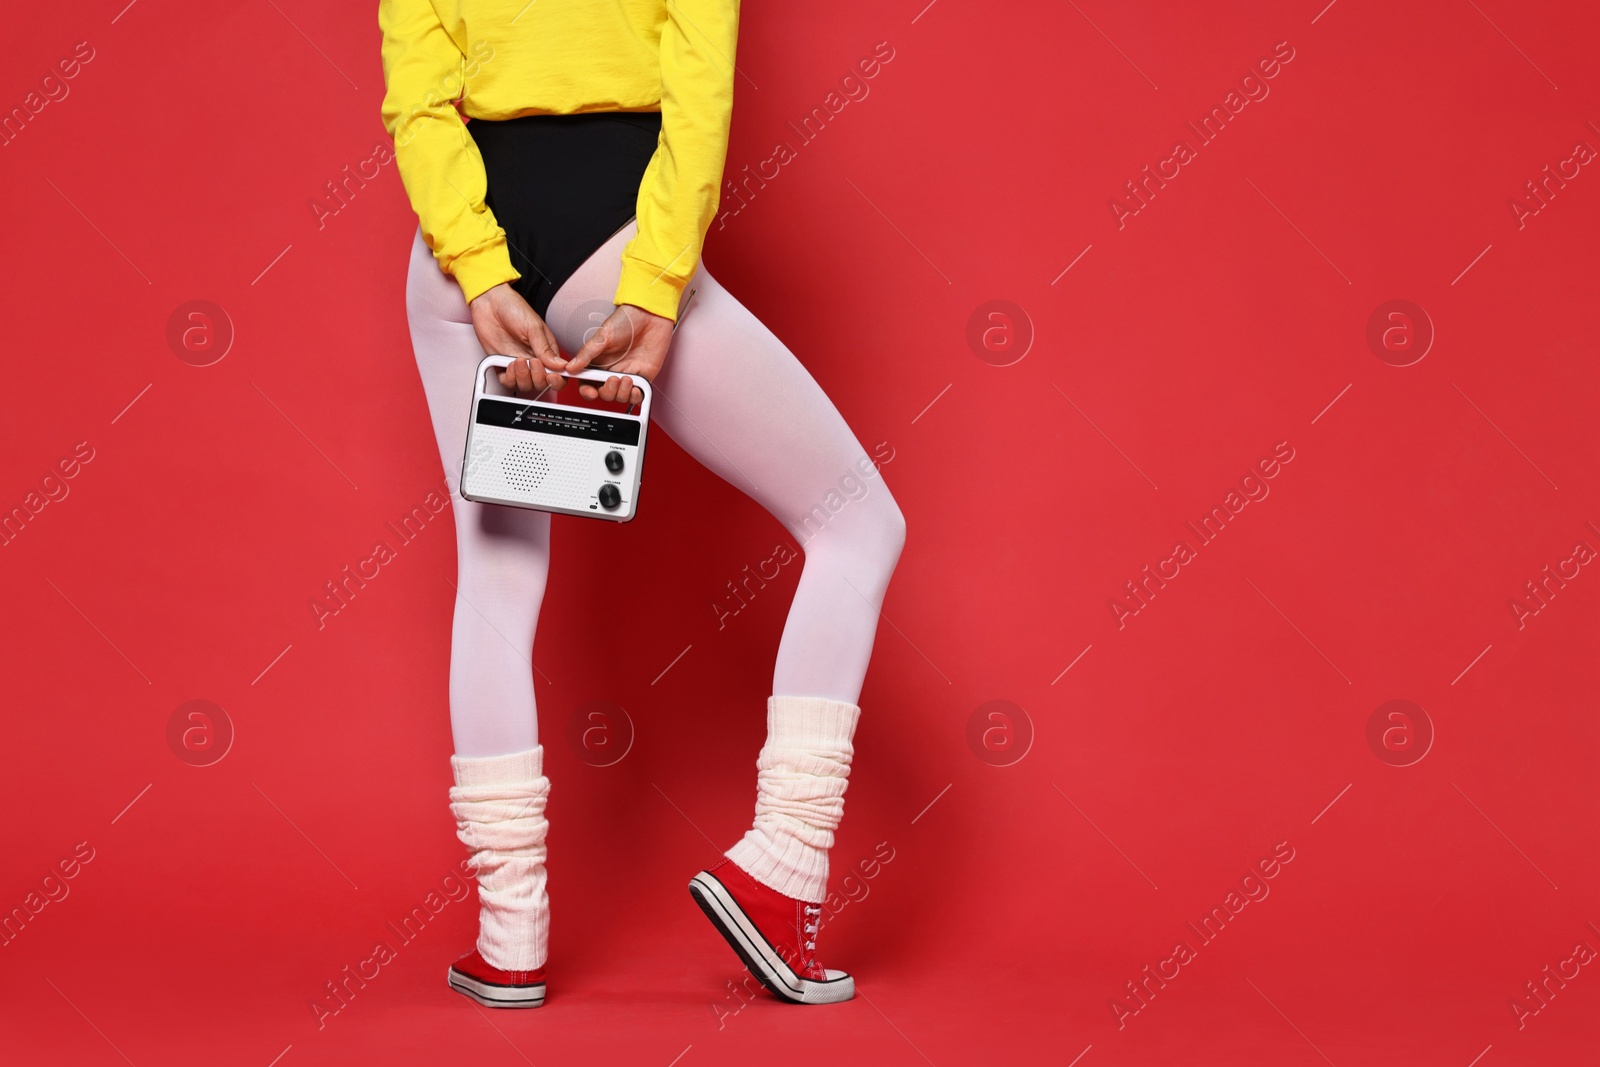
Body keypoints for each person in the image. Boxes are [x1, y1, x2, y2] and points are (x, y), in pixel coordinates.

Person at [379, 0, 906, 1008]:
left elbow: (418, 100)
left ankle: (509, 936)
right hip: (613, 227)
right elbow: (698, 84)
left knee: (494, 576)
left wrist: (480, 264)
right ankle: (781, 859)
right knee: (856, 522)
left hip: (457, 254)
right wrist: (656, 279)